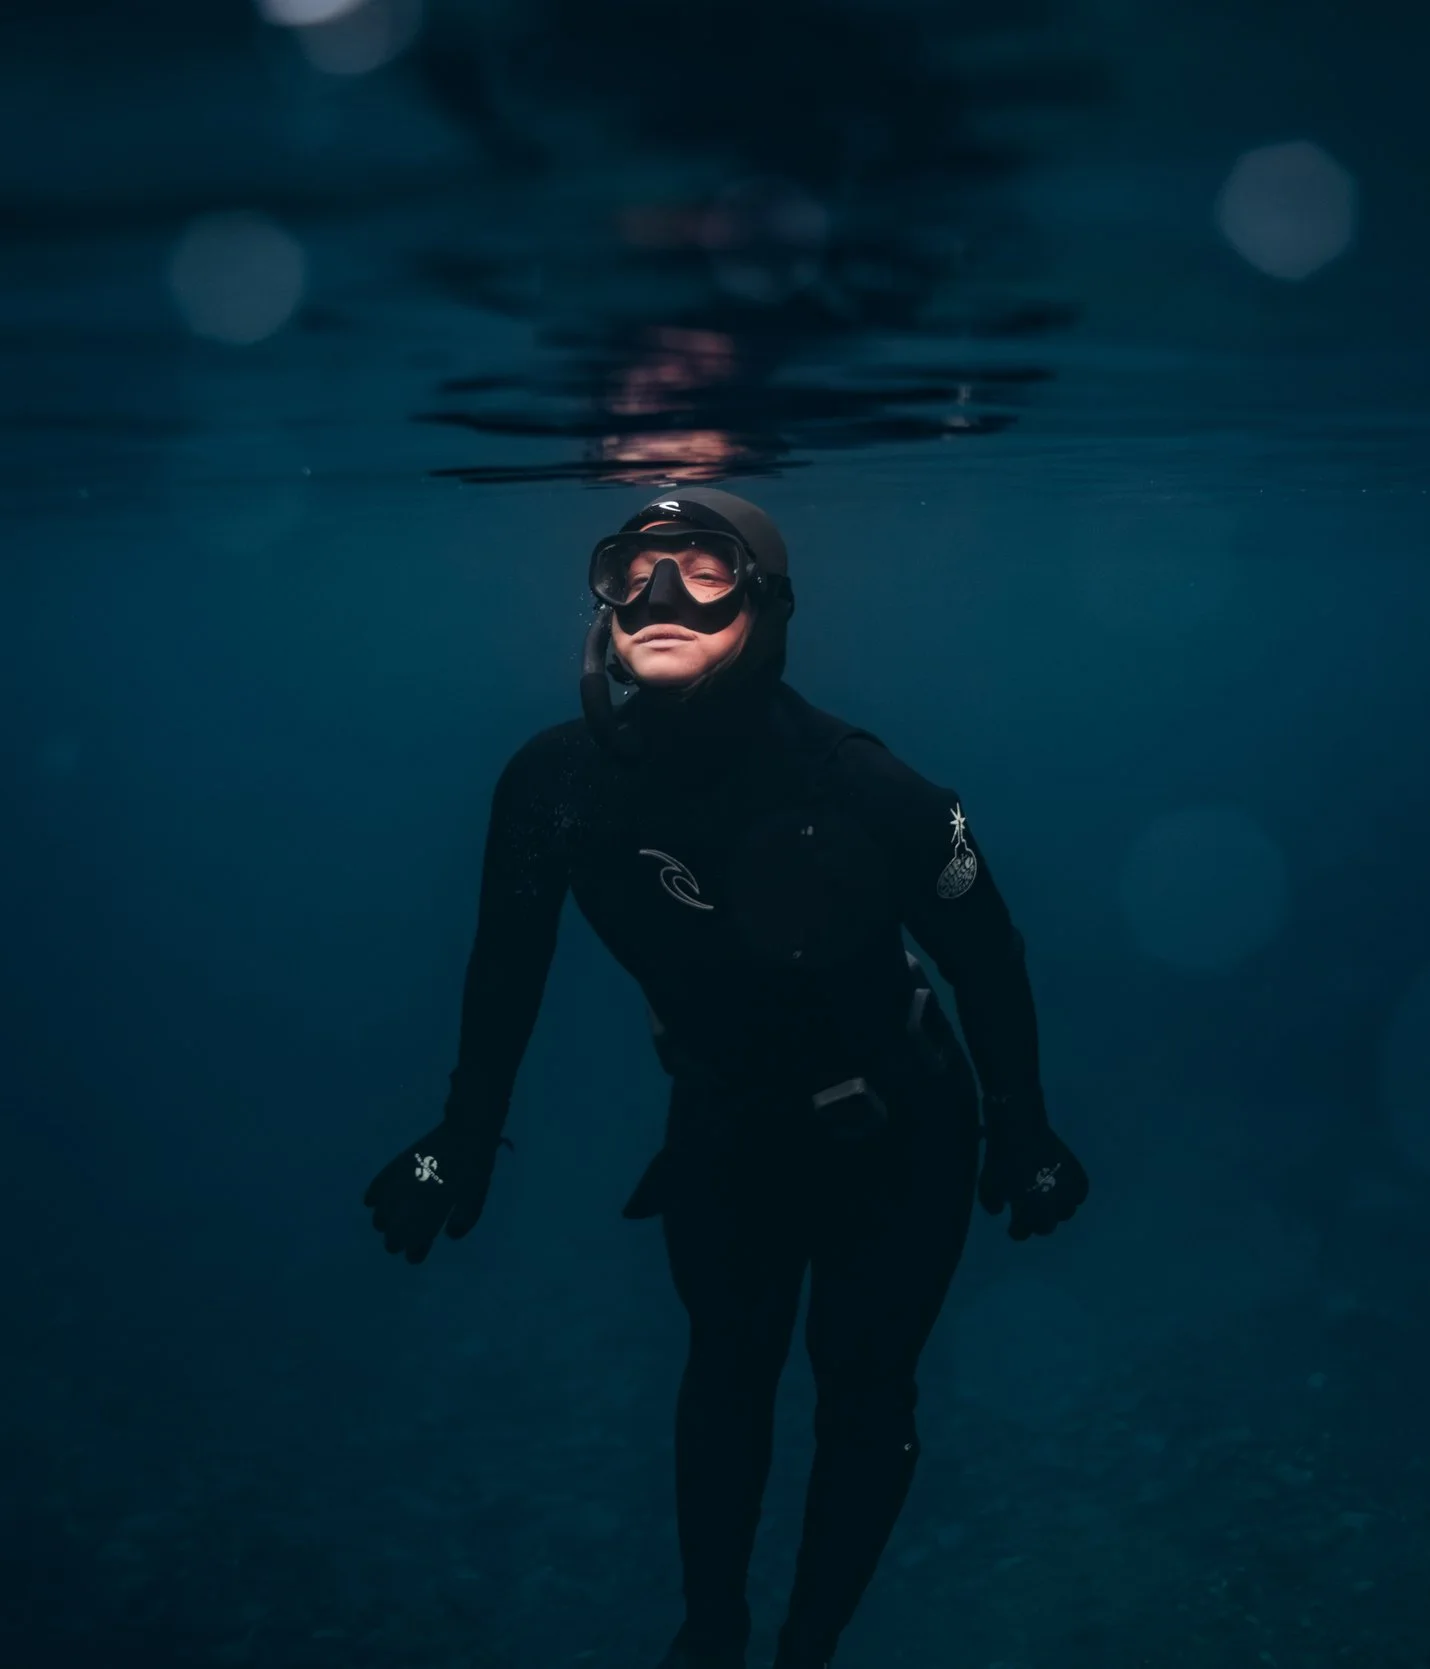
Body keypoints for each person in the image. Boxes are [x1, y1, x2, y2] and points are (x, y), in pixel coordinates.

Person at [363, 487, 1090, 1669]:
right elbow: (506, 965)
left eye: (703, 568)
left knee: (865, 1389)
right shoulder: (554, 786)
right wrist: (462, 1133)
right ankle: (710, 1636)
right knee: (725, 1376)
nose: (659, 595)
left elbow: (986, 956)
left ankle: (807, 1650)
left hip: (899, 1129)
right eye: (629, 568)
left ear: (770, 601)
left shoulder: (871, 787)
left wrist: (1023, 1127)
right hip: (724, 1121)